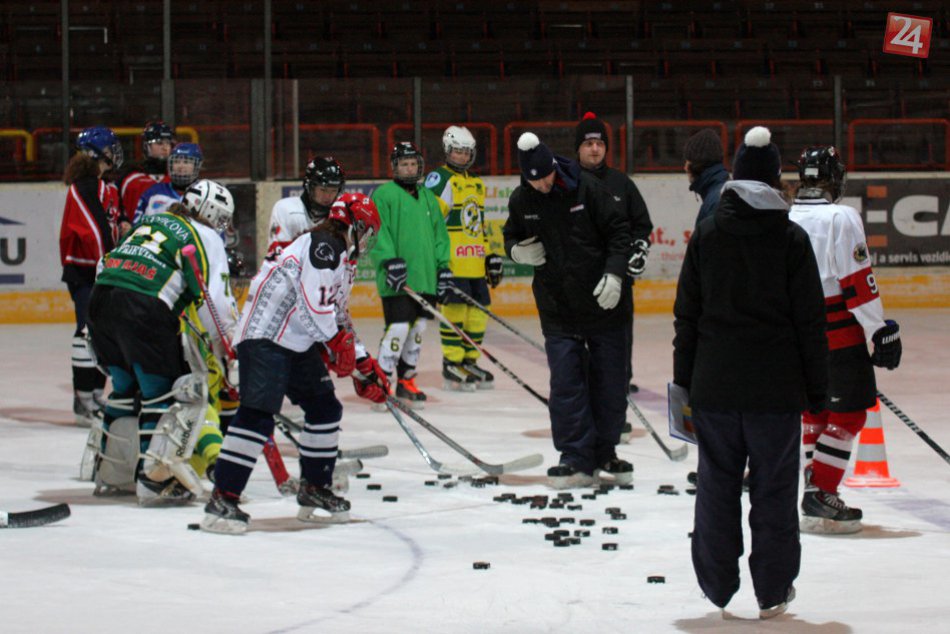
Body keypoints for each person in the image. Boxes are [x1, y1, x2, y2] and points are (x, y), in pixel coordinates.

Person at [673, 126, 828, 618]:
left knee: (716, 487)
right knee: (775, 492)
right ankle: (773, 590)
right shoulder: (791, 238)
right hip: (774, 392)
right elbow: (810, 323)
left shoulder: (709, 233)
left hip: (715, 387)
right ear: (776, 178)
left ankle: (717, 586)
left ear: (736, 176)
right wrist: (817, 391)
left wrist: (684, 385)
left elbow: (687, 317)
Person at [201, 194, 387, 534]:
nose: (368, 241)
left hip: (296, 340)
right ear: (355, 225)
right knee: (258, 412)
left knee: (325, 408)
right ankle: (222, 498)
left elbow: (338, 316)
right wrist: (336, 344)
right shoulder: (325, 244)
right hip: (265, 336)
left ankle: (314, 488)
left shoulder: (342, 257)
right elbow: (313, 306)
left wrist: (363, 361)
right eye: (367, 232)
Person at [88, 179, 237, 506]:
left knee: (125, 387)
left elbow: (104, 266)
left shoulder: (148, 222)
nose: (222, 226)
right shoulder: (205, 235)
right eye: (222, 217)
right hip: (144, 309)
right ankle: (153, 480)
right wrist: (229, 349)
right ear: (208, 211)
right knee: (165, 391)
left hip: (101, 305)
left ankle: (113, 472)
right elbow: (219, 303)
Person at [503, 131, 632, 489]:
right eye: (532, 180)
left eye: (544, 177)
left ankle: (605, 452)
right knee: (566, 385)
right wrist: (515, 252)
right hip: (557, 309)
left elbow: (620, 233)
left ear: (553, 168)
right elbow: (510, 235)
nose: (541, 185)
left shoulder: (587, 188)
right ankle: (575, 456)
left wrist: (615, 273)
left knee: (610, 385)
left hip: (604, 305)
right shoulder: (522, 198)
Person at [789, 145, 902, 534]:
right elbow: (858, 284)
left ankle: (812, 488)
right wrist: (879, 332)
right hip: (837, 335)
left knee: (814, 413)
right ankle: (821, 489)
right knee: (850, 413)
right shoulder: (842, 217)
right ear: (833, 179)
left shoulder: (785, 215)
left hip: (796, 337)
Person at [574, 112, 653, 436]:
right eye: (589, 143)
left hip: (617, 285)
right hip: (578, 288)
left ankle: (614, 417)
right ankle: (584, 418)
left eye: (599, 144)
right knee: (579, 357)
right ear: (578, 148)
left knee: (617, 353)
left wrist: (638, 250)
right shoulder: (567, 182)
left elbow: (642, 226)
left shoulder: (622, 184)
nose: (594, 149)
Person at [371, 141, 451, 406]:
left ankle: (406, 380)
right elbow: (376, 232)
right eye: (404, 164)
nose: (409, 168)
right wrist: (388, 260)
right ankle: (382, 383)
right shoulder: (383, 195)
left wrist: (444, 267)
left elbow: (440, 235)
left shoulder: (428, 196)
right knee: (398, 328)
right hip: (398, 279)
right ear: (395, 167)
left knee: (418, 329)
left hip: (425, 276)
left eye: (413, 163)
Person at [424, 126, 503, 390]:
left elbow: (478, 226)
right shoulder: (440, 179)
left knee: (478, 314)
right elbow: (431, 223)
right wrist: (437, 262)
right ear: (448, 151)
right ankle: (451, 363)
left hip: (475, 263)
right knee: (455, 312)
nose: (462, 156)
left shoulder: (476, 183)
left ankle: (469, 360)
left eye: (466, 151)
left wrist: (490, 255)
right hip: (453, 263)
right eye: (457, 151)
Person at [59, 126, 124, 427]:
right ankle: (83, 399)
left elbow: (106, 225)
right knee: (87, 329)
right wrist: (108, 264)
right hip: (86, 271)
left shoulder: (101, 185)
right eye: (110, 149)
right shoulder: (85, 186)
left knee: (98, 330)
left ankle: (95, 393)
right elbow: (93, 229)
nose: (114, 154)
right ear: (99, 154)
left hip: (95, 269)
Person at [267, 156, 346, 257]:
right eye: (323, 190)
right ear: (310, 187)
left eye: (333, 191)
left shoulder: (340, 217)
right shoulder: (286, 210)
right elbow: (278, 256)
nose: (328, 196)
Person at [116, 121, 174, 224]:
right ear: (147, 146)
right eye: (159, 143)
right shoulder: (130, 179)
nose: (165, 148)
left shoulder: (176, 180)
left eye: (168, 143)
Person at [134, 142, 203, 222]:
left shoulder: (206, 194)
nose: (181, 166)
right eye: (176, 161)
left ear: (196, 166)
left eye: (186, 162)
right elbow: (137, 224)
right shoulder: (153, 192)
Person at [683, 128, 730, 227]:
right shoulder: (721, 192)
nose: (685, 167)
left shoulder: (715, 201)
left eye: (687, 161)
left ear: (696, 163)